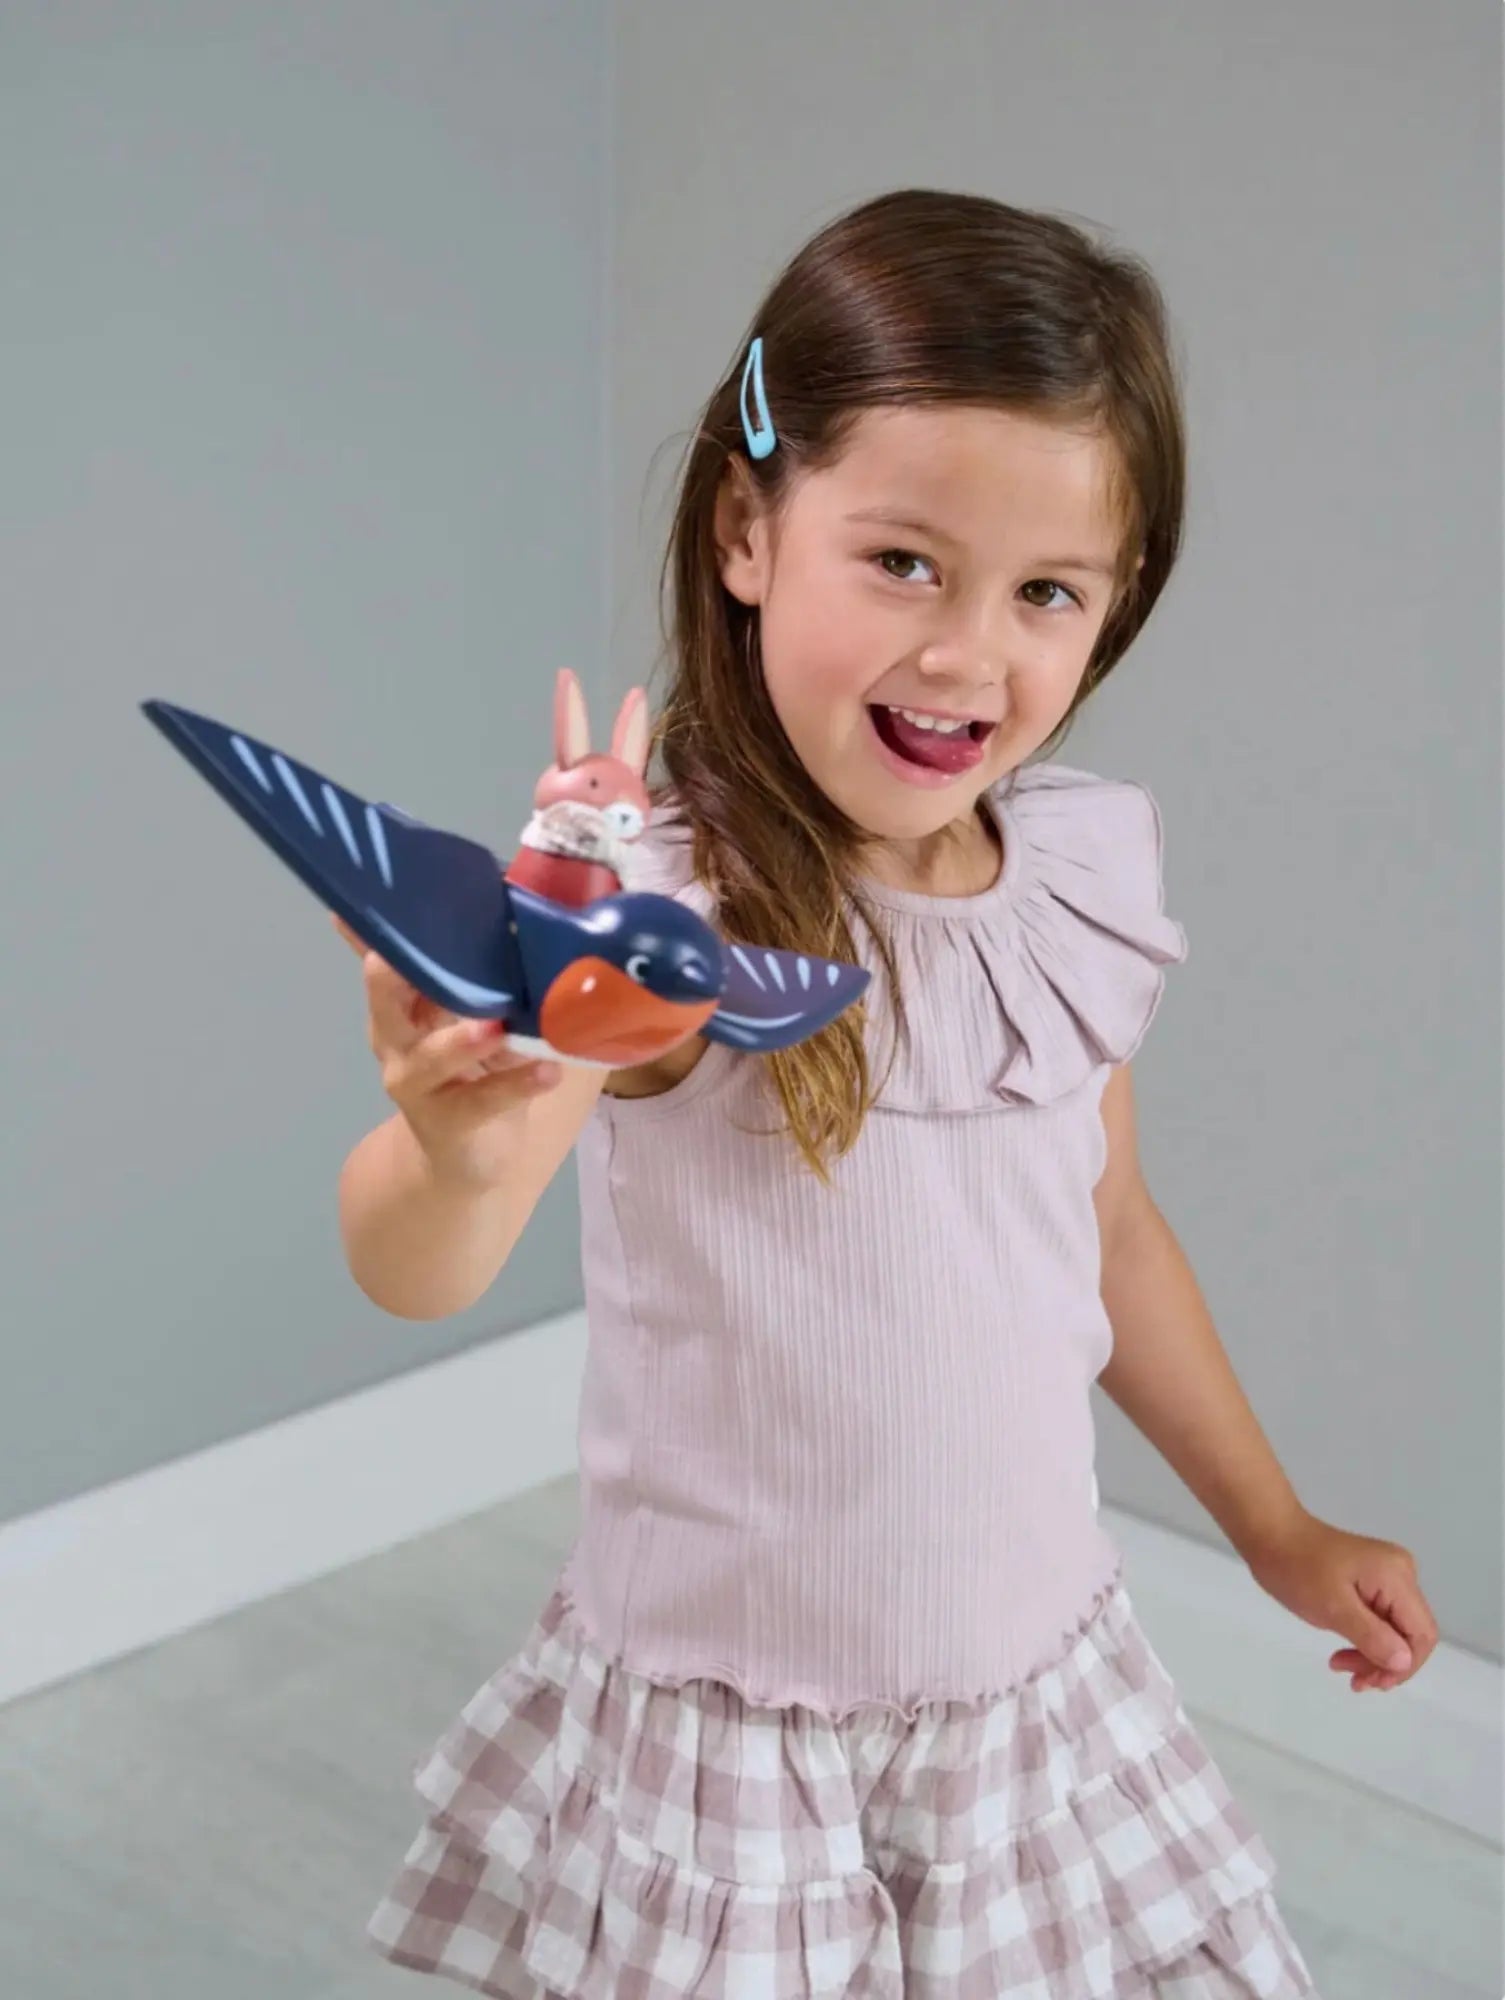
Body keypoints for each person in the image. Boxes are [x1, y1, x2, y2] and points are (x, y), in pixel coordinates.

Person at [343, 189, 1438, 1999]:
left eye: (1045, 593)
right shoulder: (667, 915)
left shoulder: (1076, 876)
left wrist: (1275, 1525)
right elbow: (421, 1266)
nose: (966, 654)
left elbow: (1109, 1237)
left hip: (1027, 1698)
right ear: (748, 529)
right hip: (739, 1747)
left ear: (1116, 602)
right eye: (904, 563)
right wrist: (457, 1149)